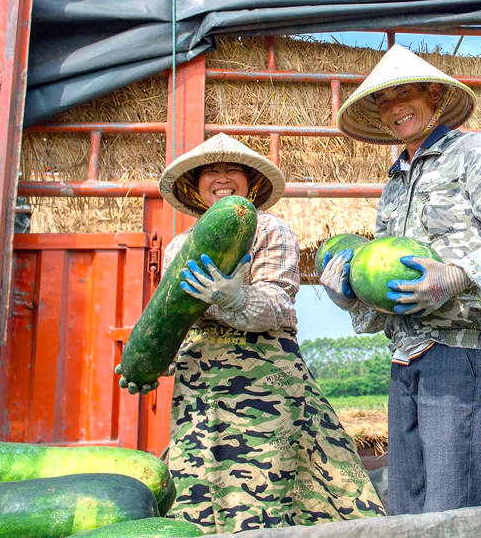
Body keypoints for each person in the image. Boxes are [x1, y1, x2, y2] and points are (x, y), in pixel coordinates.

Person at [322, 44, 481, 514]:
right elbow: (383, 274)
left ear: (434, 95)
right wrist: (351, 297)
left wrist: (457, 275)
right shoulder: (395, 182)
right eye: (384, 102)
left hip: (461, 352)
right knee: (407, 502)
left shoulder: (477, 154)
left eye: (405, 94)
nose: (394, 108)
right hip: (404, 355)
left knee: (451, 503)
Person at [152, 133, 385, 533]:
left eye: (232, 170)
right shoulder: (178, 248)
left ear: (249, 183)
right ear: (196, 184)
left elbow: (278, 305)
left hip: (265, 395)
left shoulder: (271, 230)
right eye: (212, 170)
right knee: (197, 499)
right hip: (199, 394)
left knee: (269, 500)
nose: (222, 178)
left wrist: (236, 297)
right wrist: (153, 362)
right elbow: (170, 323)